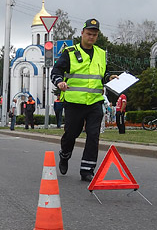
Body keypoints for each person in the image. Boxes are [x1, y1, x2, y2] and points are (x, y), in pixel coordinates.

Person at [51, 18, 118, 182]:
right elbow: (56, 70)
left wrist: (110, 77)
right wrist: (59, 82)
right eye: (88, 34)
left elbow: (102, 75)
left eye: (94, 35)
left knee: (93, 135)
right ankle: (64, 155)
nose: (91, 37)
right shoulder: (70, 52)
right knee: (71, 134)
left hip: (95, 102)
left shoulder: (101, 54)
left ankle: (87, 170)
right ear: (82, 33)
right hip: (74, 102)